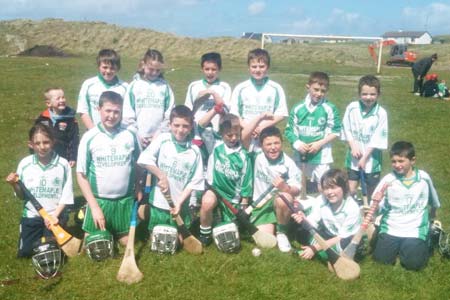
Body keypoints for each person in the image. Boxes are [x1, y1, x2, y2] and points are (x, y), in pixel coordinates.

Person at [77, 91, 142, 248]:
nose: (112, 116)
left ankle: (119, 230)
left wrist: (139, 185)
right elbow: (81, 174)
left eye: (116, 112)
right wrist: (94, 207)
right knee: (93, 245)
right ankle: (89, 216)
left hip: (124, 200)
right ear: (99, 109)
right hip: (100, 202)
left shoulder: (131, 134)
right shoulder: (90, 137)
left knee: (128, 243)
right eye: (108, 111)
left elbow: (139, 163)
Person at [137, 105, 204, 247]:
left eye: (185, 126)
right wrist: (161, 176)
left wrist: (179, 203)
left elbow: (195, 181)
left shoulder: (195, 151)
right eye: (176, 125)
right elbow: (143, 159)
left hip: (180, 205)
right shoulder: (163, 140)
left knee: (177, 242)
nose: (180, 130)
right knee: (158, 241)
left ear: (191, 126)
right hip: (159, 203)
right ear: (169, 125)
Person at [6, 123, 74, 257]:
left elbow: (66, 195)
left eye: (46, 142)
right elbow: (21, 196)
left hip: (55, 217)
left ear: (53, 142)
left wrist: (55, 216)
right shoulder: (25, 164)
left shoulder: (63, 164)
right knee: (25, 254)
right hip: (32, 216)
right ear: (30, 144)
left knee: (51, 253)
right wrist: (14, 185)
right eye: (37, 143)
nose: (42, 147)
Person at [372, 141, 440, 271]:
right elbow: (376, 208)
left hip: (415, 229)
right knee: (382, 261)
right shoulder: (388, 180)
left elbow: (434, 201)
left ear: (412, 160)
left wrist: (432, 216)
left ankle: (423, 242)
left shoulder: (424, 178)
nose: (397, 165)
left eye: (401, 161)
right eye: (393, 161)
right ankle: (397, 247)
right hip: (391, 227)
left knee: (414, 265)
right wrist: (375, 205)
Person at [242, 123, 302, 253]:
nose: (273, 148)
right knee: (266, 242)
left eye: (277, 143)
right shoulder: (256, 155)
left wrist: (285, 187)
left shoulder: (288, 163)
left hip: (279, 202)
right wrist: (261, 118)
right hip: (261, 205)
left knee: (284, 197)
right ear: (261, 146)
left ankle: (282, 232)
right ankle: (284, 223)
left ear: (282, 143)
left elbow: (297, 189)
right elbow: (243, 137)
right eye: (268, 144)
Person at [198, 114, 253, 246]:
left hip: (232, 199)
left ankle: (221, 219)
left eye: (236, 134)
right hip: (214, 190)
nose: (234, 138)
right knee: (207, 202)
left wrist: (244, 204)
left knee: (228, 231)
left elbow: (246, 181)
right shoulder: (215, 145)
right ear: (221, 133)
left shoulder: (244, 155)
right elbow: (200, 126)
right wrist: (215, 110)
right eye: (229, 135)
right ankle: (204, 234)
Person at [285, 71, 341, 191]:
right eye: (315, 89)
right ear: (308, 87)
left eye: (323, 91)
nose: (319, 94)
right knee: (297, 186)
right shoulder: (298, 108)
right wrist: (298, 144)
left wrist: (319, 144)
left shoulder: (330, 108)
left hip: (321, 156)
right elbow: (289, 131)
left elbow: (336, 131)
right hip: (300, 155)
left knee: (324, 186)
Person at [291, 169, 362, 260]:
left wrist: (315, 248)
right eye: (326, 188)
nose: (329, 192)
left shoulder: (352, 208)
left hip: (345, 239)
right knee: (301, 231)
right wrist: (303, 219)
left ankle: (326, 255)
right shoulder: (321, 199)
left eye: (333, 187)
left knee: (347, 243)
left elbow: (341, 237)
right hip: (329, 235)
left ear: (343, 187)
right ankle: (330, 255)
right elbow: (313, 221)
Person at [341, 75, 388, 203]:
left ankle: (370, 216)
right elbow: (346, 127)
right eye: (365, 94)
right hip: (353, 158)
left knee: (371, 192)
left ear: (378, 94)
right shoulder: (352, 108)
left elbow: (377, 138)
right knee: (351, 189)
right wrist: (353, 145)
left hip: (372, 160)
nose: (368, 97)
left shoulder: (381, 113)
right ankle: (352, 211)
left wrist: (365, 157)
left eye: (372, 94)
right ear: (359, 93)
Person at [230, 48, 288, 150]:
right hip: (246, 133)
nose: (257, 70)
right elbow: (234, 114)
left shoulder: (275, 88)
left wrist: (262, 127)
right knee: (246, 162)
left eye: (262, 66)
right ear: (249, 67)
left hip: (267, 135)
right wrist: (249, 127)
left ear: (268, 67)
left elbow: (281, 114)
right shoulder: (241, 88)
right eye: (254, 66)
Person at [122, 49, 175, 149]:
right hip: (137, 138)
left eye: (158, 70)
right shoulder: (134, 85)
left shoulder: (165, 87)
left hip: (159, 138)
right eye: (151, 69)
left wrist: (158, 134)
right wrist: (137, 135)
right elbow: (127, 115)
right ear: (143, 65)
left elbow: (170, 114)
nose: (154, 73)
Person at [184, 52, 232, 155]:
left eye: (214, 69)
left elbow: (226, 111)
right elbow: (188, 110)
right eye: (207, 69)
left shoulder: (224, 87)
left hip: (216, 134)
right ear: (202, 69)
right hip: (196, 134)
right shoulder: (194, 86)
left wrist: (214, 93)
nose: (210, 72)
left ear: (219, 69)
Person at [77, 49, 128, 130]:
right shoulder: (88, 84)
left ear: (117, 68)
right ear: (98, 66)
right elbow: (83, 110)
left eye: (112, 68)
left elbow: (127, 113)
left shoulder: (125, 87)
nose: (108, 71)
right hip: (94, 132)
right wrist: (93, 132)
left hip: (117, 135)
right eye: (105, 67)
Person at [34, 87, 79, 167]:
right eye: (58, 98)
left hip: (63, 158)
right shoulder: (42, 119)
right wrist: (34, 154)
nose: (62, 100)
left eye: (63, 97)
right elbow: (35, 139)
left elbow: (74, 140)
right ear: (48, 103)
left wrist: (73, 157)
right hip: (44, 158)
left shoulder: (70, 119)